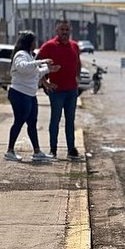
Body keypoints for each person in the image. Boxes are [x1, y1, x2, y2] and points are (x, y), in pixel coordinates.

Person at [4, 30, 60, 162]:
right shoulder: (21, 55)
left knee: (32, 123)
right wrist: (41, 61)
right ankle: (9, 150)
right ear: (28, 42)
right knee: (19, 121)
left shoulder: (29, 55)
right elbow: (22, 67)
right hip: (19, 93)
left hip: (30, 94)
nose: (36, 44)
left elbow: (34, 73)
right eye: (34, 41)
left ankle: (37, 151)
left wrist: (49, 69)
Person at [37, 20, 82, 160]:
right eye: (62, 29)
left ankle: (71, 149)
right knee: (55, 120)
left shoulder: (74, 46)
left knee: (70, 121)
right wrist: (45, 82)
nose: (65, 32)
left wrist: (77, 76)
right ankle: (53, 150)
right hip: (57, 91)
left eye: (67, 30)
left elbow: (78, 63)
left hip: (72, 90)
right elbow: (36, 63)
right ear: (56, 31)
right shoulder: (49, 46)